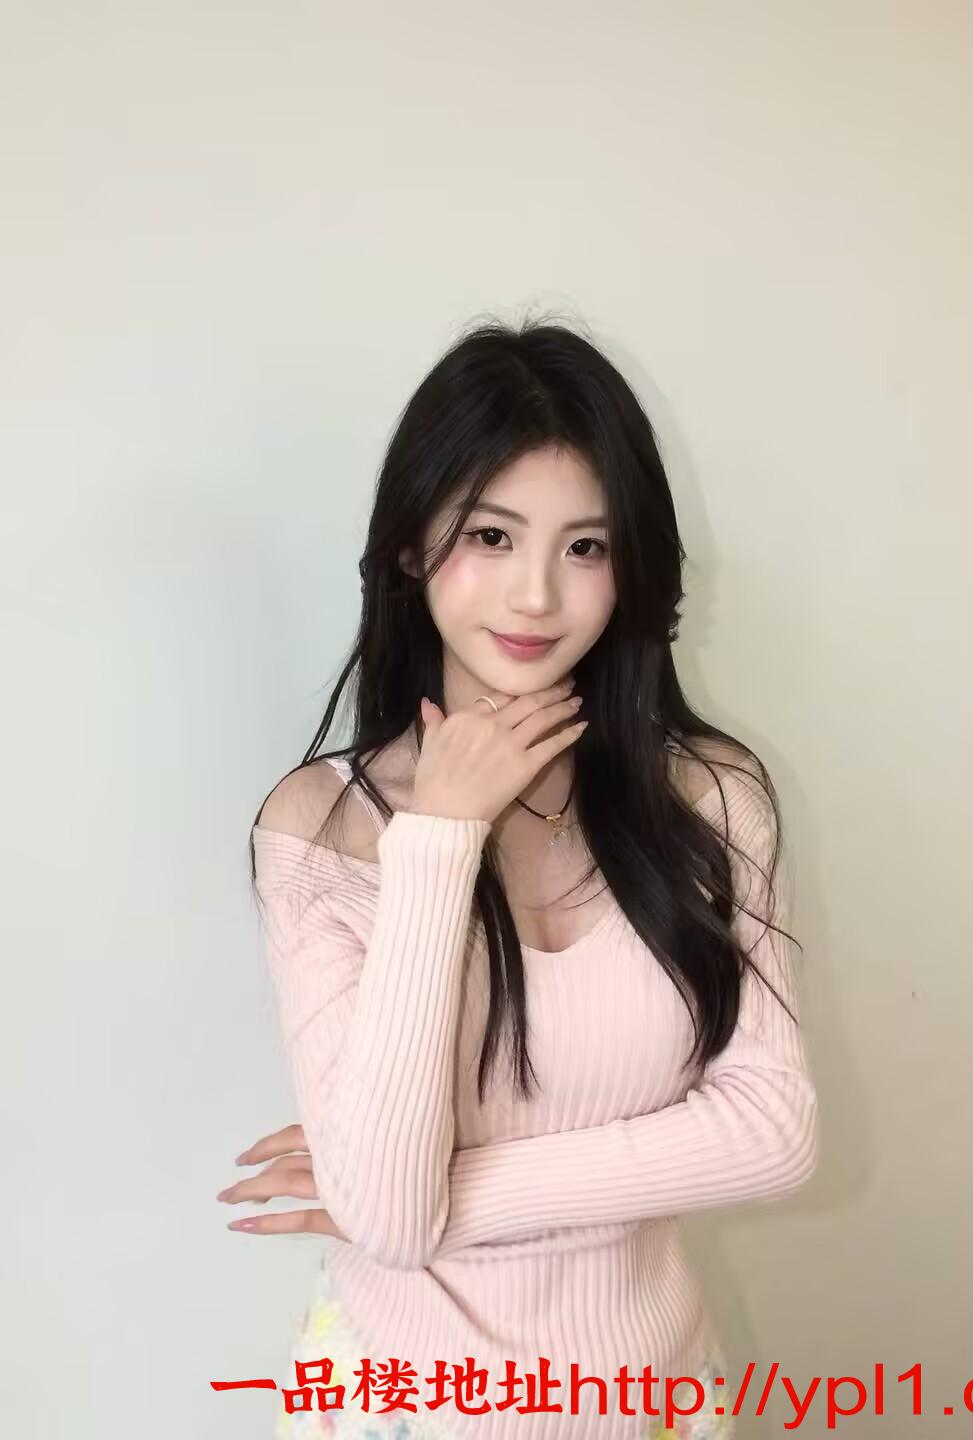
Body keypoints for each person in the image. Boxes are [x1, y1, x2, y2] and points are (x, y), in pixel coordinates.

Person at [217, 317, 819, 1440]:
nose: (537, 596)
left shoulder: (711, 798)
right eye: (492, 535)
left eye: (585, 547)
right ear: (412, 547)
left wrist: (441, 1190)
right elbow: (389, 1226)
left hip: (655, 1396)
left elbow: (773, 1131)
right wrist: (440, 837)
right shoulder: (317, 828)